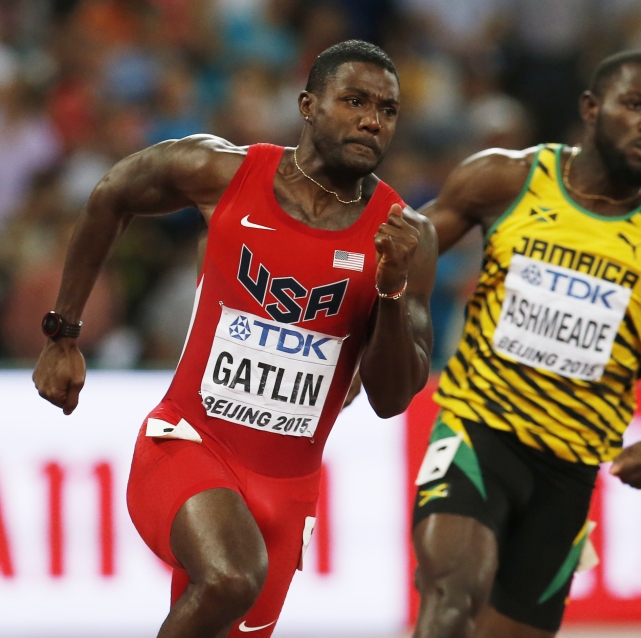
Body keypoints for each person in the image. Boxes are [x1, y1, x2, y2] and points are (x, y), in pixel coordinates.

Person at [32, 40, 436, 638]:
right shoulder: (222, 172)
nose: (373, 121)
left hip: (288, 490)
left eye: (388, 110)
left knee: (225, 598)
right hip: (189, 444)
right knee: (229, 578)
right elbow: (111, 193)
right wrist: (63, 333)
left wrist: (392, 292)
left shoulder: (406, 236)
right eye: (354, 101)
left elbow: (391, 398)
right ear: (307, 105)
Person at [410, 51, 641, 637]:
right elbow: (406, 251)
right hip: (478, 436)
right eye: (635, 105)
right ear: (590, 108)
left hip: (570, 471)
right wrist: (392, 332)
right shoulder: (506, 179)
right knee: (452, 599)